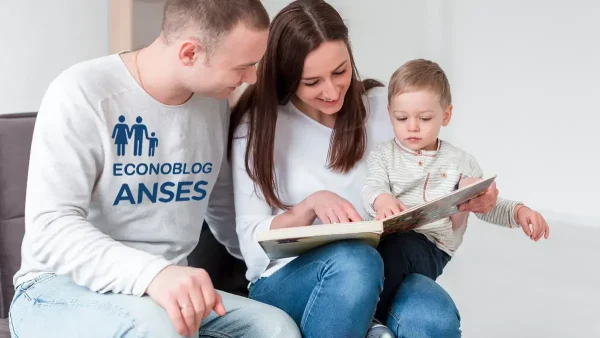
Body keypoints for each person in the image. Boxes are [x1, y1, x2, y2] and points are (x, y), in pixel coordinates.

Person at [9, 1, 301, 337]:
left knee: (276, 328)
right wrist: (154, 274)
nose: (251, 78)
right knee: (157, 329)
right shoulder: (82, 93)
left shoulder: (213, 101)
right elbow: (51, 228)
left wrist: (281, 251)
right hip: (56, 289)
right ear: (190, 53)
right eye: (242, 67)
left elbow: (222, 210)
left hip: (165, 292)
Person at [228, 1, 498, 337]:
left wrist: (467, 198)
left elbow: (434, 196)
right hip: (288, 281)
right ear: (288, 77)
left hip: (385, 268)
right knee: (355, 263)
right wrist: (310, 206)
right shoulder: (257, 127)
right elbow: (252, 252)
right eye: (312, 82)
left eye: (340, 71)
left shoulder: (387, 110)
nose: (331, 91)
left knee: (432, 316)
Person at [361, 58, 551, 327]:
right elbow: (372, 185)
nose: (412, 127)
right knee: (364, 256)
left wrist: (519, 211)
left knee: (397, 252)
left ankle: (369, 323)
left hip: (430, 245)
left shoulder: (459, 162)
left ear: (446, 115)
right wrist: (382, 199)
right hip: (387, 237)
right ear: (390, 112)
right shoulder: (383, 155)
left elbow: (486, 204)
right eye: (401, 118)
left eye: (425, 118)